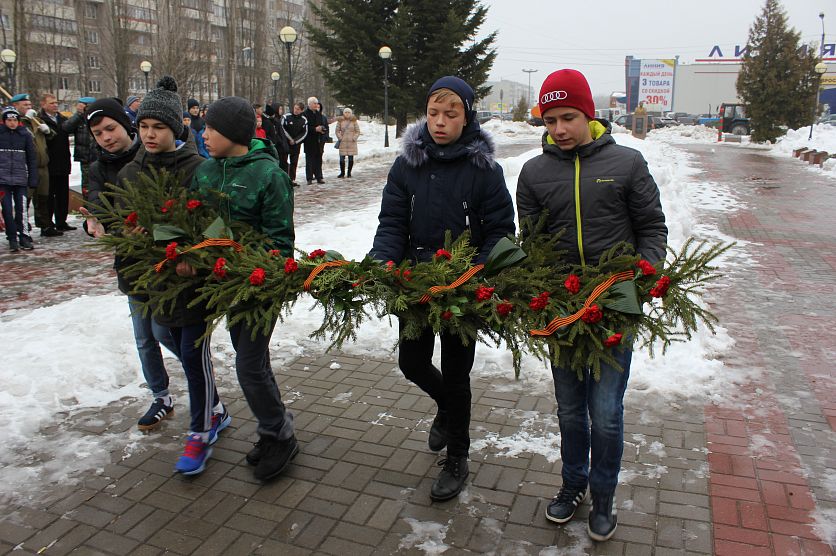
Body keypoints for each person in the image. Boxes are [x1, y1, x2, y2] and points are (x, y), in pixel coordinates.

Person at [516, 69, 667, 541]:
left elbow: (652, 227)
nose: (559, 129)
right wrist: (536, 290)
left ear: (589, 114)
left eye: (569, 117)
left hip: (612, 307)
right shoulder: (534, 172)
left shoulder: (627, 163)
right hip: (562, 308)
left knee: (604, 412)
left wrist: (642, 277)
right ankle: (572, 485)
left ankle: (603, 496)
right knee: (568, 409)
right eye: (550, 120)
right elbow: (532, 241)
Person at [369, 76, 516, 501]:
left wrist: (477, 274)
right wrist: (383, 262)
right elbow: (392, 222)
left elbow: (500, 231)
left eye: (450, 114)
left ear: (466, 117)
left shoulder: (484, 170)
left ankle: (457, 457)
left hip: (463, 290)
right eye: (433, 113)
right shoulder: (407, 165)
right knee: (412, 362)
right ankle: (448, 410)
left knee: (456, 373)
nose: (439, 121)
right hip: (415, 285)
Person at [118, 76, 229, 476]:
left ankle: (201, 432)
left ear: (176, 128)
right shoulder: (132, 172)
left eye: (159, 127)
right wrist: (127, 231)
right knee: (165, 336)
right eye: (144, 126)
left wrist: (194, 255)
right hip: (155, 281)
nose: (150, 134)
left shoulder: (199, 169)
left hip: (192, 281)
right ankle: (215, 408)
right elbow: (124, 219)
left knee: (194, 357)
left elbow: (215, 224)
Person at [190, 96, 297, 482]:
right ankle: (273, 428)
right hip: (221, 284)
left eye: (210, 129)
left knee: (249, 364)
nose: (203, 135)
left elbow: (280, 242)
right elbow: (193, 220)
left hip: (259, 285)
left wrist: (247, 266)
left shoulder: (268, 175)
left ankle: (280, 435)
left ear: (233, 134)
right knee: (253, 361)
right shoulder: (205, 171)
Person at [80, 97, 186, 437]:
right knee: (144, 337)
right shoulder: (98, 168)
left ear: (127, 126)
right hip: (130, 264)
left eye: (110, 128)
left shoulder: (152, 154)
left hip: (165, 261)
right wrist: (94, 223)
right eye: (98, 134)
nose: (106, 137)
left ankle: (201, 377)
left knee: (164, 331)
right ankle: (161, 396)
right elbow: (98, 205)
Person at [11, 93, 54, 236]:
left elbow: (52, 136)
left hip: (43, 164)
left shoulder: (36, 120)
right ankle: (22, 225)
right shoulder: (14, 121)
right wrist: (25, 119)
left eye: (29, 105)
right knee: (25, 198)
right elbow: (15, 134)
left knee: (43, 197)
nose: (29, 107)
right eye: (25, 105)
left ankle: (45, 225)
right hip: (27, 166)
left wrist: (48, 131)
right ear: (16, 106)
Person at [0, 107, 37, 252]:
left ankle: (24, 237)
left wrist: (33, 178)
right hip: (3, 181)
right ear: (4, 121)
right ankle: (12, 238)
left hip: (21, 179)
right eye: (9, 120)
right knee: (7, 210)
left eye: (14, 120)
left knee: (22, 210)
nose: (12, 123)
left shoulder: (25, 135)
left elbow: (32, 159)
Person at [40, 93, 75, 233]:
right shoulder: (39, 120)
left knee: (62, 194)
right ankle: (48, 224)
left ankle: (61, 221)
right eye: (51, 103)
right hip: (49, 163)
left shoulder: (62, 119)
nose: (55, 105)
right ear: (43, 105)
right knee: (49, 195)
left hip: (63, 161)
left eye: (56, 102)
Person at [62, 97, 98, 198]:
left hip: (98, 156)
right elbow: (66, 128)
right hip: (85, 157)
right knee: (87, 186)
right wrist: (79, 114)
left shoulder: (97, 117)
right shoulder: (79, 119)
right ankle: (86, 204)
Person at [282, 101, 307, 187]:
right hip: (286, 142)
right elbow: (282, 128)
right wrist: (289, 138)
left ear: (302, 110)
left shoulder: (304, 120)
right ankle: (284, 178)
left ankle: (292, 179)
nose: (296, 110)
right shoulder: (286, 117)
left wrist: (296, 141)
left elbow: (304, 133)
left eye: (298, 109)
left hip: (296, 144)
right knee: (284, 161)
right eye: (295, 108)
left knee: (294, 162)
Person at [302, 97, 325, 184]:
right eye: (314, 103)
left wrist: (322, 128)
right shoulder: (305, 114)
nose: (316, 105)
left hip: (318, 140)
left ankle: (319, 177)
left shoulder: (318, 114)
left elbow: (322, 123)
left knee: (318, 159)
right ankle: (309, 178)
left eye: (316, 103)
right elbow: (304, 127)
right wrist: (314, 129)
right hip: (309, 140)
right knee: (309, 160)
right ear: (309, 104)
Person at [335, 107, 361, 178]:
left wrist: (354, 138)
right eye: (345, 112)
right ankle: (342, 173)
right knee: (341, 158)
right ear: (343, 113)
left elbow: (358, 131)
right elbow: (337, 131)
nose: (347, 114)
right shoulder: (340, 121)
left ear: (351, 113)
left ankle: (349, 173)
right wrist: (340, 137)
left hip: (351, 142)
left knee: (351, 158)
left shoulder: (354, 121)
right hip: (343, 142)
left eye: (348, 112)